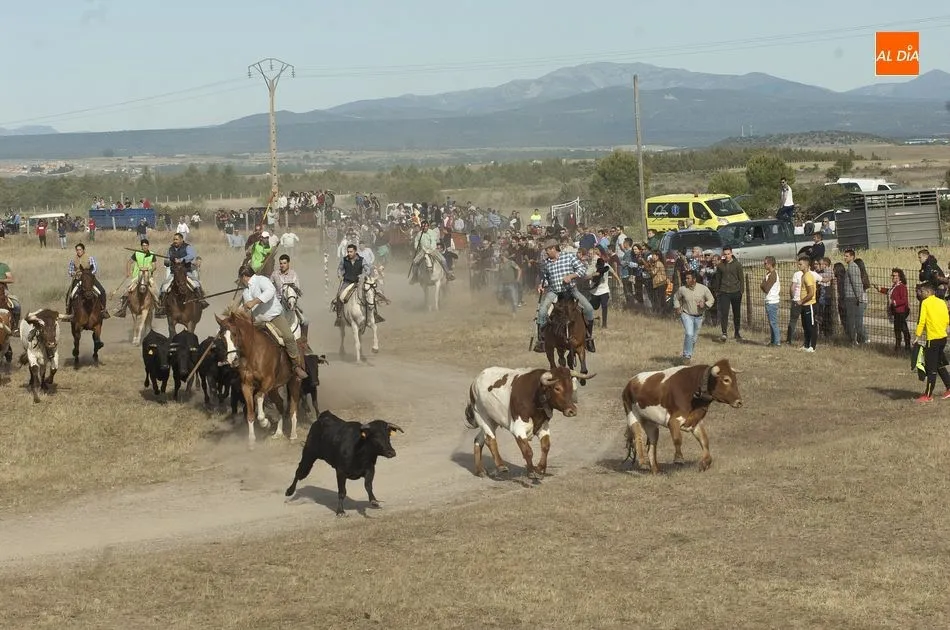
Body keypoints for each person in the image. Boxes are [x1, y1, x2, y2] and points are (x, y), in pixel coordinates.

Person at [238, 265, 309, 381]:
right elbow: (247, 306)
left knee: (288, 336)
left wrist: (254, 301)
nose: (240, 282)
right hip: (257, 321)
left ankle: (296, 365)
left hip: (273, 317)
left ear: (244, 276)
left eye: (240, 279)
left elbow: (270, 291)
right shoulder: (246, 291)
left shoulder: (261, 280)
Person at [532, 238, 596, 354]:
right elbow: (546, 279)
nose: (546, 252)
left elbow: (582, 269)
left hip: (571, 290)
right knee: (542, 312)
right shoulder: (546, 263)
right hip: (554, 292)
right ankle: (541, 341)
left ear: (553, 248)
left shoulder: (569, 257)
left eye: (547, 250)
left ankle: (588, 338)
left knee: (589, 309)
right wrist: (541, 285)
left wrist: (571, 276)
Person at [914, 281, 950, 403]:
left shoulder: (925, 302)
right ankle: (949, 388)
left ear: (929, 291)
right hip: (943, 338)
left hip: (932, 340)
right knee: (939, 364)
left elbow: (922, 321)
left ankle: (928, 395)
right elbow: (947, 319)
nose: (920, 293)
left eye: (922, 291)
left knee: (931, 368)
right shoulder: (942, 302)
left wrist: (917, 335)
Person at [157, 232, 208, 313]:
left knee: (195, 283)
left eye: (176, 239)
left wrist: (181, 259)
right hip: (174, 273)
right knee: (164, 287)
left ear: (181, 240)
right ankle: (162, 307)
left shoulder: (187, 247)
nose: (175, 241)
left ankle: (201, 301)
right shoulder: (170, 249)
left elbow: (191, 256)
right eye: (174, 239)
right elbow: (166, 260)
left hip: (186, 272)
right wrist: (168, 260)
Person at [673, 270, 714, 364]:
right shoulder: (682, 289)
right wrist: (677, 307)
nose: (686, 280)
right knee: (689, 334)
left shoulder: (703, 289)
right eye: (686, 278)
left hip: (699, 317)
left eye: (688, 278)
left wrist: (705, 304)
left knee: (694, 338)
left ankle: (689, 354)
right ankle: (686, 356)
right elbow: (676, 298)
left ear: (694, 279)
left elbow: (711, 299)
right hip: (686, 314)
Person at [114, 238, 158, 318]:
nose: (145, 247)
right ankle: (122, 309)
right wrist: (128, 272)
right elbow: (129, 262)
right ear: (141, 246)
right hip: (137, 276)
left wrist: (149, 269)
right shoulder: (137, 253)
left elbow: (154, 266)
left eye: (146, 245)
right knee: (127, 290)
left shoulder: (152, 254)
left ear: (148, 246)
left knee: (155, 290)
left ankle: (158, 307)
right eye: (143, 246)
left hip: (148, 276)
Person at [270, 254, 310, 339]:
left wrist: (293, 299)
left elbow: (297, 288)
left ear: (288, 263)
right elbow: (269, 287)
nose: (282, 265)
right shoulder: (275, 274)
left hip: (291, 300)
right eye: (281, 263)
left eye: (284, 263)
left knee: (305, 321)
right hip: (278, 302)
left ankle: (303, 341)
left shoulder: (293, 274)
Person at [66, 243, 109, 318]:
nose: (78, 251)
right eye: (77, 250)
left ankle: (103, 310)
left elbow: (95, 269)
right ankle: (69, 312)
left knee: (102, 292)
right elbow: (70, 270)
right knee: (70, 294)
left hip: (89, 279)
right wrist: (74, 273)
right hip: (78, 279)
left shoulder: (90, 258)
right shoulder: (73, 260)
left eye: (80, 250)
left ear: (83, 250)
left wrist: (88, 274)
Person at [873, 269, 911, 354]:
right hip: (896, 311)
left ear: (899, 277)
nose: (892, 277)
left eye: (894, 276)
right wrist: (880, 289)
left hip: (901, 311)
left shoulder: (902, 287)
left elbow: (904, 300)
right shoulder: (895, 286)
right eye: (892, 275)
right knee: (898, 329)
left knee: (902, 329)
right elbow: (890, 292)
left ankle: (905, 347)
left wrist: (894, 302)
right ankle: (900, 347)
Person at [332, 243, 368, 327]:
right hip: (347, 282)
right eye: (348, 252)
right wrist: (339, 275)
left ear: (355, 251)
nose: (349, 253)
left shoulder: (362, 260)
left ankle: (373, 314)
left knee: (370, 294)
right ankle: (339, 316)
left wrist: (363, 275)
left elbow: (368, 269)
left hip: (358, 282)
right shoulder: (344, 260)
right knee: (339, 296)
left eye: (351, 252)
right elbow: (339, 269)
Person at [715, 246, 744, 341]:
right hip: (724, 292)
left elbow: (741, 279)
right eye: (725, 254)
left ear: (731, 253)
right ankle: (724, 333)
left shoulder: (737, 265)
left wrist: (741, 291)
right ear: (723, 255)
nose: (727, 256)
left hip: (736, 292)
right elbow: (718, 279)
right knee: (724, 313)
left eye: (728, 254)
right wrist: (717, 291)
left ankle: (737, 332)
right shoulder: (720, 266)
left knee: (737, 313)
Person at [797, 255, 818, 352]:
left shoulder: (808, 276)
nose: (799, 266)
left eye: (800, 264)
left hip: (810, 305)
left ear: (806, 265)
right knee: (805, 326)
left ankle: (812, 347)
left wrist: (802, 301)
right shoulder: (803, 276)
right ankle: (806, 345)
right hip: (804, 305)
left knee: (811, 326)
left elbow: (811, 293)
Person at [760, 256, 781, 347]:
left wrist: (764, 284)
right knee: (771, 322)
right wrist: (763, 284)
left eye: (765, 263)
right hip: (769, 300)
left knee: (773, 322)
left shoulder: (772, 275)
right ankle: (773, 341)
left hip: (772, 301)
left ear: (770, 264)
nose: (764, 265)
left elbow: (765, 288)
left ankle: (777, 342)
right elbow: (762, 285)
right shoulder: (769, 274)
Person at [0, 259, 22, 335]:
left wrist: (0, 280)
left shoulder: (3, 266)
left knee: (16, 305)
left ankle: (15, 328)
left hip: (3, 291)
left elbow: (11, 279)